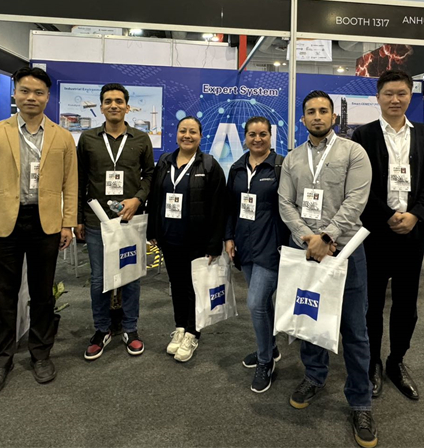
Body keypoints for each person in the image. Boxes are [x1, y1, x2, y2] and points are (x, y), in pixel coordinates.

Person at [0, 67, 77, 396]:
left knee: (43, 295)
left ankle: (41, 355)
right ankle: (0, 361)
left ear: (47, 97)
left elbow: (70, 184)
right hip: (2, 224)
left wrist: (67, 222)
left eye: (39, 92)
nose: (32, 97)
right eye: (25, 91)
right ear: (14, 94)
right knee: (4, 296)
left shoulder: (62, 137)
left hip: (45, 223)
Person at [278, 90, 377, 448]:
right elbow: (285, 202)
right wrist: (308, 238)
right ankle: (314, 377)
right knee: (309, 321)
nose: (317, 116)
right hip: (306, 252)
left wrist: (327, 237)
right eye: (310, 111)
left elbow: (356, 200)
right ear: (303, 118)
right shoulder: (293, 158)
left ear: (333, 117)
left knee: (355, 330)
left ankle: (360, 401)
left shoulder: (353, 152)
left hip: (345, 252)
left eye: (323, 111)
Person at [351, 70, 424, 405]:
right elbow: (359, 186)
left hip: (412, 233)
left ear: (410, 96)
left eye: (401, 93)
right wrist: (387, 215)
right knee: (371, 304)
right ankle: (372, 363)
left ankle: (396, 361)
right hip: (375, 233)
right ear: (378, 97)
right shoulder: (363, 135)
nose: (395, 100)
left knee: (406, 304)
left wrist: (416, 214)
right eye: (388, 93)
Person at [76, 83, 155, 361]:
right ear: (101, 107)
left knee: (131, 276)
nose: (114, 105)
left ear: (127, 107)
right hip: (96, 220)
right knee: (99, 279)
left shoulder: (141, 138)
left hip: (129, 220)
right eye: (108, 101)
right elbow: (79, 179)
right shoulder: (88, 138)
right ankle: (102, 329)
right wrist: (77, 218)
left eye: (119, 101)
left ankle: (130, 329)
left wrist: (138, 199)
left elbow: (150, 175)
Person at [147, 116, 226, 363]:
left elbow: (219, 208)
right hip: (170, 237)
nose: (187, 136)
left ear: (200, 136)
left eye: (193, 132)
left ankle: (193, 332)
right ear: (177, 134)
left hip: (197, 241)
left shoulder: (210, 166)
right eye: (183, 131)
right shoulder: (165, 162)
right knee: (177, 286)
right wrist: (152, 230)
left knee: (195, 289)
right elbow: (155, 198)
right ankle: (180, 327)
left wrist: (215, 243)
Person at [224, 116, 287, 393]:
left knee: (255, 303)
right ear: (245, 137)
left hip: (271, 245)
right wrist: (228, 237)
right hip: (244, 244)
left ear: (271, 136)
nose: (257, 139)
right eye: (252, 134)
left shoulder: (280, 166)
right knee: (262, 303)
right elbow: (230, 206)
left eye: (263, 134)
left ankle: (265, 361)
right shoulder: (237, 168)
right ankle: (270, 348)